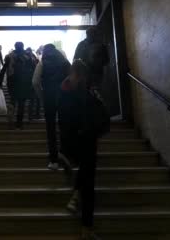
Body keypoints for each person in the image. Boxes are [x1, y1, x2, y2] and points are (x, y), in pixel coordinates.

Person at [59, 60, 110, 240]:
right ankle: (86, 228)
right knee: (89, 184)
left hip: (77, 141)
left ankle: (76, 196)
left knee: (86, 176)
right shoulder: (86, 91)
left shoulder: (66, 90)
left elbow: (63, 120)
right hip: (86, 140)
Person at [32, 44, 70, 170]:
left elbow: (35, 82)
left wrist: (42, 97)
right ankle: (65, 154)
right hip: (64, 96)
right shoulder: (64, 59)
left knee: (51, 128)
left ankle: (53, 160)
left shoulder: (42, 61)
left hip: (49, 97)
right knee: (65, 125)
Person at [0, 42, 34, 129]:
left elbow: (3, 70)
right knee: (21, 103)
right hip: (24, 83)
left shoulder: (10, 56)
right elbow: (33, 70)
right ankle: (19, 124)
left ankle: (10, 116)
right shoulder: (28, 56)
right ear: (23, 46)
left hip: (12, 82)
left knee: (13, 100)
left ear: (15, 46)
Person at [26, 47, 41, 120]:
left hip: (29, 82)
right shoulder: (35, 58)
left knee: (31, 100)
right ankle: (37, 114)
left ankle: (30, 116)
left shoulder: (25, 59)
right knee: (38, 99)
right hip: (36, 81)